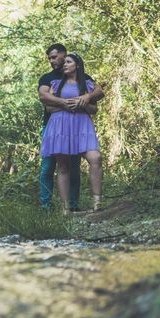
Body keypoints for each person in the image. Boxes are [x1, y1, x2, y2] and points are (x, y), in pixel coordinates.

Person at [37, 44, 104, 210]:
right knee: (53, 167)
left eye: (55, 57)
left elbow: (97, 100)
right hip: (58, 127)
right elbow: (46, 102)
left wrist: (85, 100)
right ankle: (55, 207)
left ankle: (85, 204)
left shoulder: (85, 81)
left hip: (81, 127)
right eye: (50, 58)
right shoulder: (51, 80)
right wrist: (67, 104)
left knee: (89, 161)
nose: (54, 61)